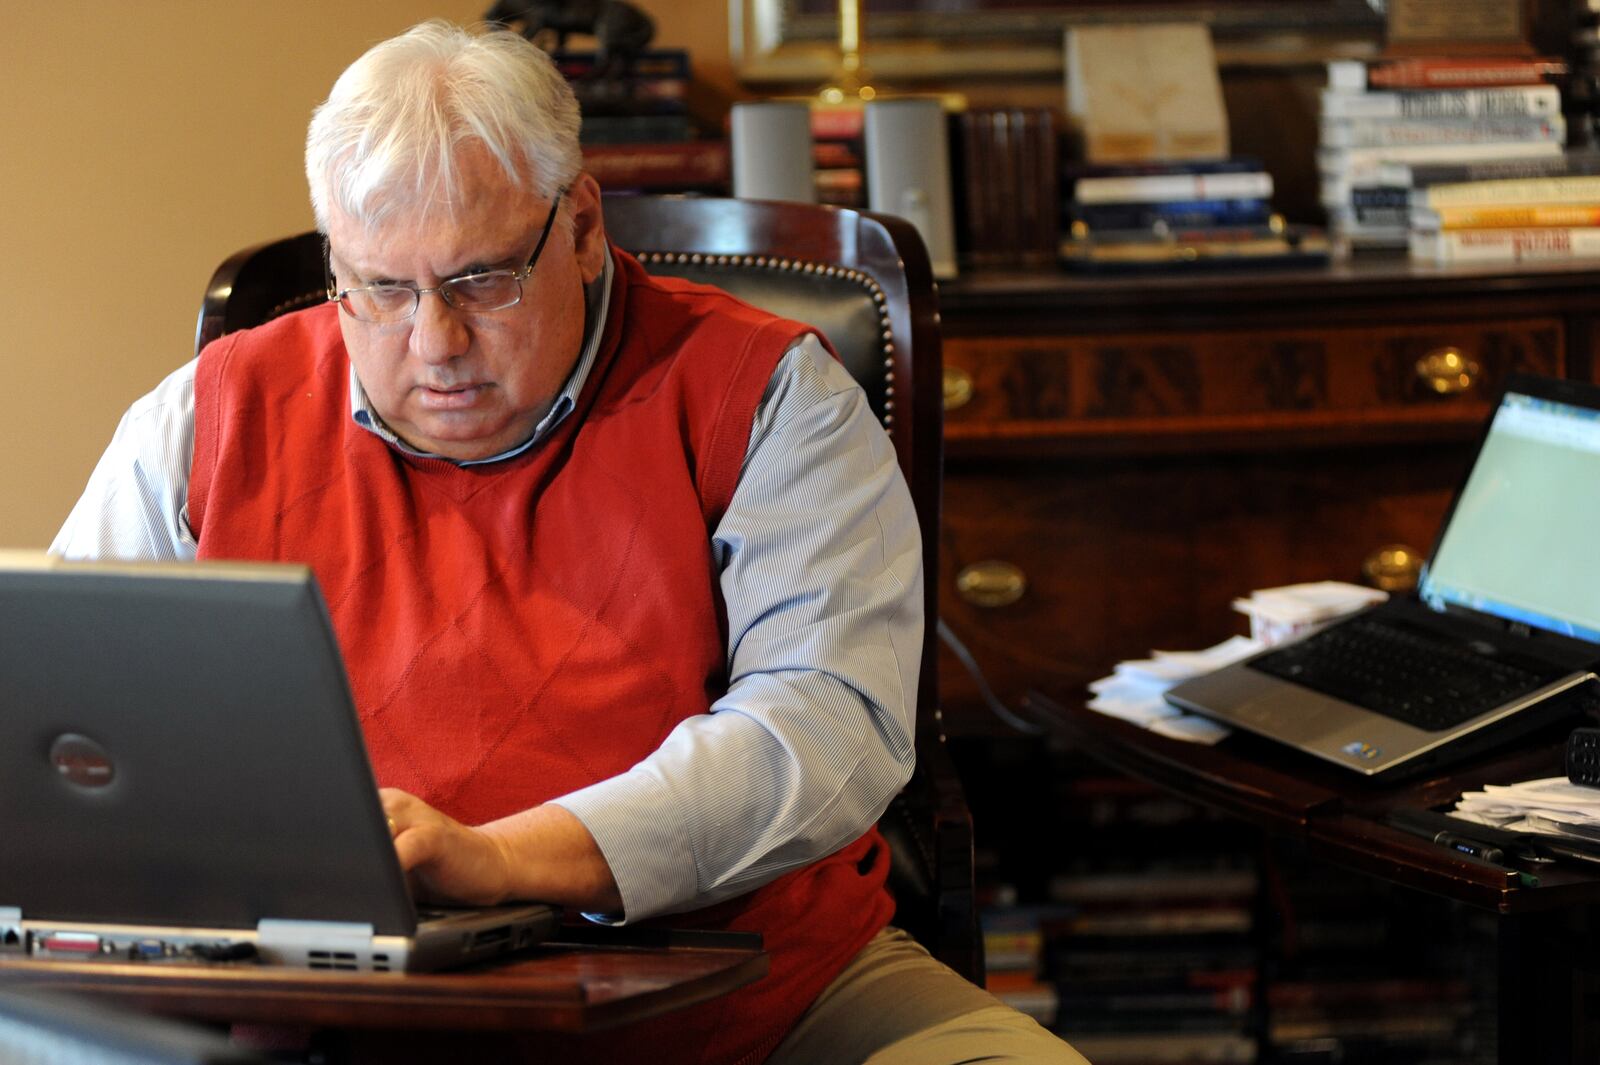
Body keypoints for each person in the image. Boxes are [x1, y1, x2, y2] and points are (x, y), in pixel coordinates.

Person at [53, 19, 1087, 1065]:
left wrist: (503, 858)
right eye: (381, 289)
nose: (435, 343)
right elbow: (64, 717)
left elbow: (824, 730)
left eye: (480, 281)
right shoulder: (205, 419)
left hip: (744, 986)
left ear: (582, 226)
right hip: (321, 1004)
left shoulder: (768, 395)